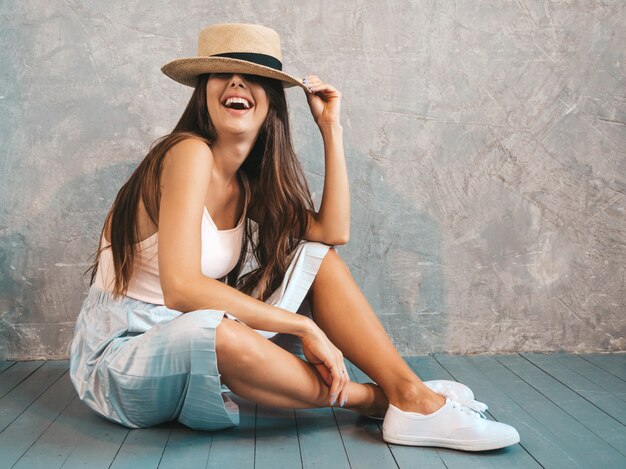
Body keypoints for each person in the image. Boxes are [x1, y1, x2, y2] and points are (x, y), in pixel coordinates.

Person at [69, 22, 520, 452]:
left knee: (315, 257)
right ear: (203, 91)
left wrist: (330, 129)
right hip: (121, 360)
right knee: (216, 329)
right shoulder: (186, 153)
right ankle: (385, 400)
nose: (236, 84)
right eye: (221, 74)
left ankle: (409, 395)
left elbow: (331, 232)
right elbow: (182, 289)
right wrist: (302, 325)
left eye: (251, 77)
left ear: (270, 102)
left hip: (192, 336)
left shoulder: (245, 184)